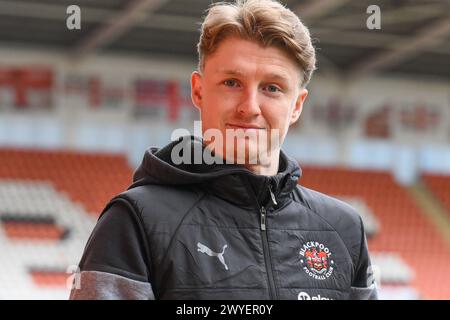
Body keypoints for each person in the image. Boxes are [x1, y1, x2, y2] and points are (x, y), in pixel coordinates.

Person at [70, 0, 377, 300]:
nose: (249, 107)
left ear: (296, 105)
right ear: (198, 90)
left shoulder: (343, 228)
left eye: (272, 88)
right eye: (232, 82)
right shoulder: (136, 220)